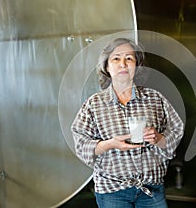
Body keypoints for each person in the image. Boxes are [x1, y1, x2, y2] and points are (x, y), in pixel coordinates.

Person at [71, 38, 184, 208]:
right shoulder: (93, 104)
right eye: (116, 58)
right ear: (107, 67)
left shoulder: (154, 98)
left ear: (137, 67)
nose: (123, 64)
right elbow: (81, 143)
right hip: (112, 191)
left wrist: (159, 138)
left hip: (151, 188)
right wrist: (110, 144)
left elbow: (176, 129)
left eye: (129, 59)